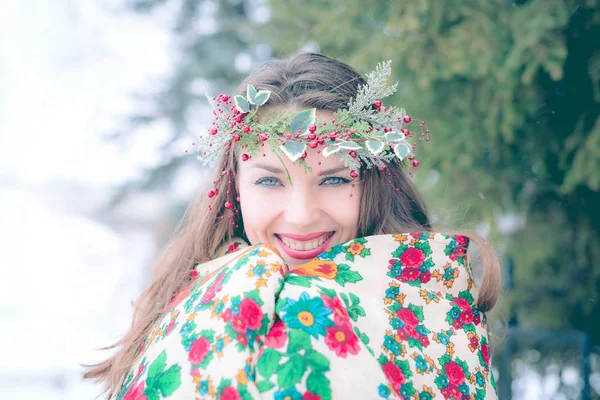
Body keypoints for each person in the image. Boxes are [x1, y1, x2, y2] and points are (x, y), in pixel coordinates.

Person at [85, 53, 501, 399]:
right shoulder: (187, 296)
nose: (301, 215)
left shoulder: (428, 301)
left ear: (373, 182)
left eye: (335, 179)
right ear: (235, 187)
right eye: (270, 181)